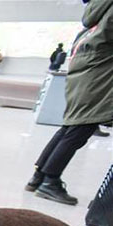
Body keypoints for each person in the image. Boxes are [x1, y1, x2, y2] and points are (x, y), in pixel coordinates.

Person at [26, 0, 113, 205]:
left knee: (69, 128)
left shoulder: (95, 13)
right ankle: (50, 181)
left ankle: (38, 176)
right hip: (97, 76)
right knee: (79, 130)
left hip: (84, 74)